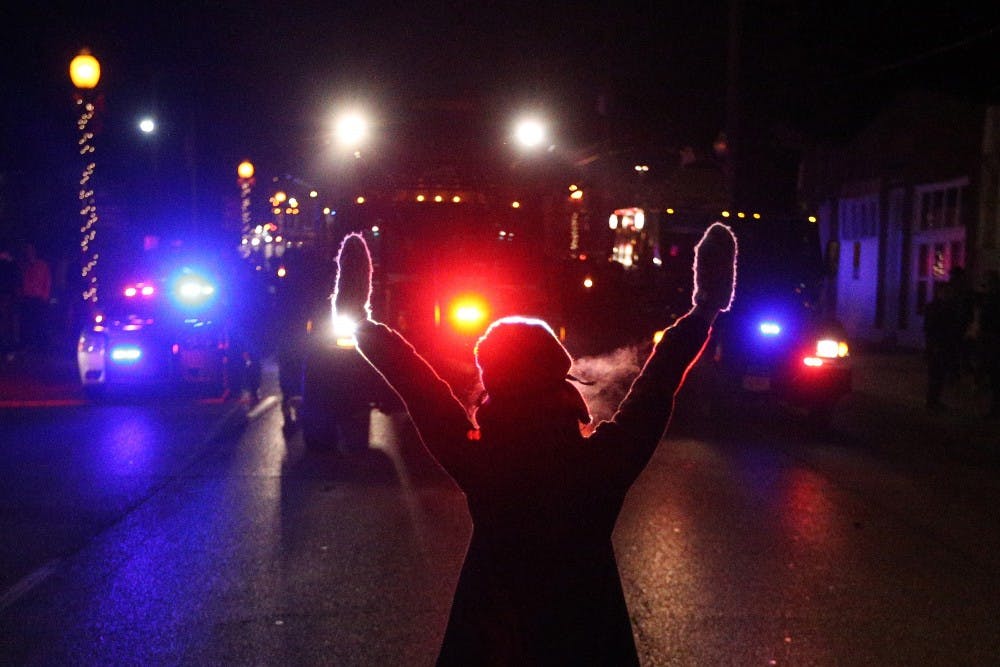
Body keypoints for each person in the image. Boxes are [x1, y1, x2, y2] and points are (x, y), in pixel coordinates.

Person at [331, 222, 737, 665]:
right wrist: (703, 313)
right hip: (588, 640)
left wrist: (362, 324)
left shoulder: (481, 460)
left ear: (492, 383)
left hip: (491, 638)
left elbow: (419, 387)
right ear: (558, 376)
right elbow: (656, 386)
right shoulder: (601, 462)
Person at [922, 279, 965, 411]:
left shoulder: (951, 307)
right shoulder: (934, 307)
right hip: (937, 345)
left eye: (949, 292)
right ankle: (931, 402)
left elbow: (954, 326)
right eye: (945, 292)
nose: (947, 294)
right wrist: (933, 344)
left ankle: (935, 400)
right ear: (939, 292)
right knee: (935, 374)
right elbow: (929, 328)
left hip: (946, 344)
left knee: (940, 375)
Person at [17, 242, 52, 352]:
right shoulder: (23, 266)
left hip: (39, 298)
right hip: (27, 297)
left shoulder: (42, 265)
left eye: (30, 250)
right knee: (28, 322)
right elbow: (20, 281)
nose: (29, 253)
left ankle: (40, 345)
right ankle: (28, 344)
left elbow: (47, 281)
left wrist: (45, 295)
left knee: (40, 322)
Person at [979, 270, 1000, 418]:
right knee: (992, 374)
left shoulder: (992, 299)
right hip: (990, 339)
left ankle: (995, 407)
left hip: (993, 339)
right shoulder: (988, 298)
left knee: (994, 374)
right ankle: (994, 406)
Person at [0, 247, 22, 360]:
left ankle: (10, 348)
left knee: (9, 322)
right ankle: (7, 348)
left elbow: (13, 281)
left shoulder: (11, 265)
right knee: (5, 323)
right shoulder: (7, 265)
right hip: (6, 296)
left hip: (8, 296)